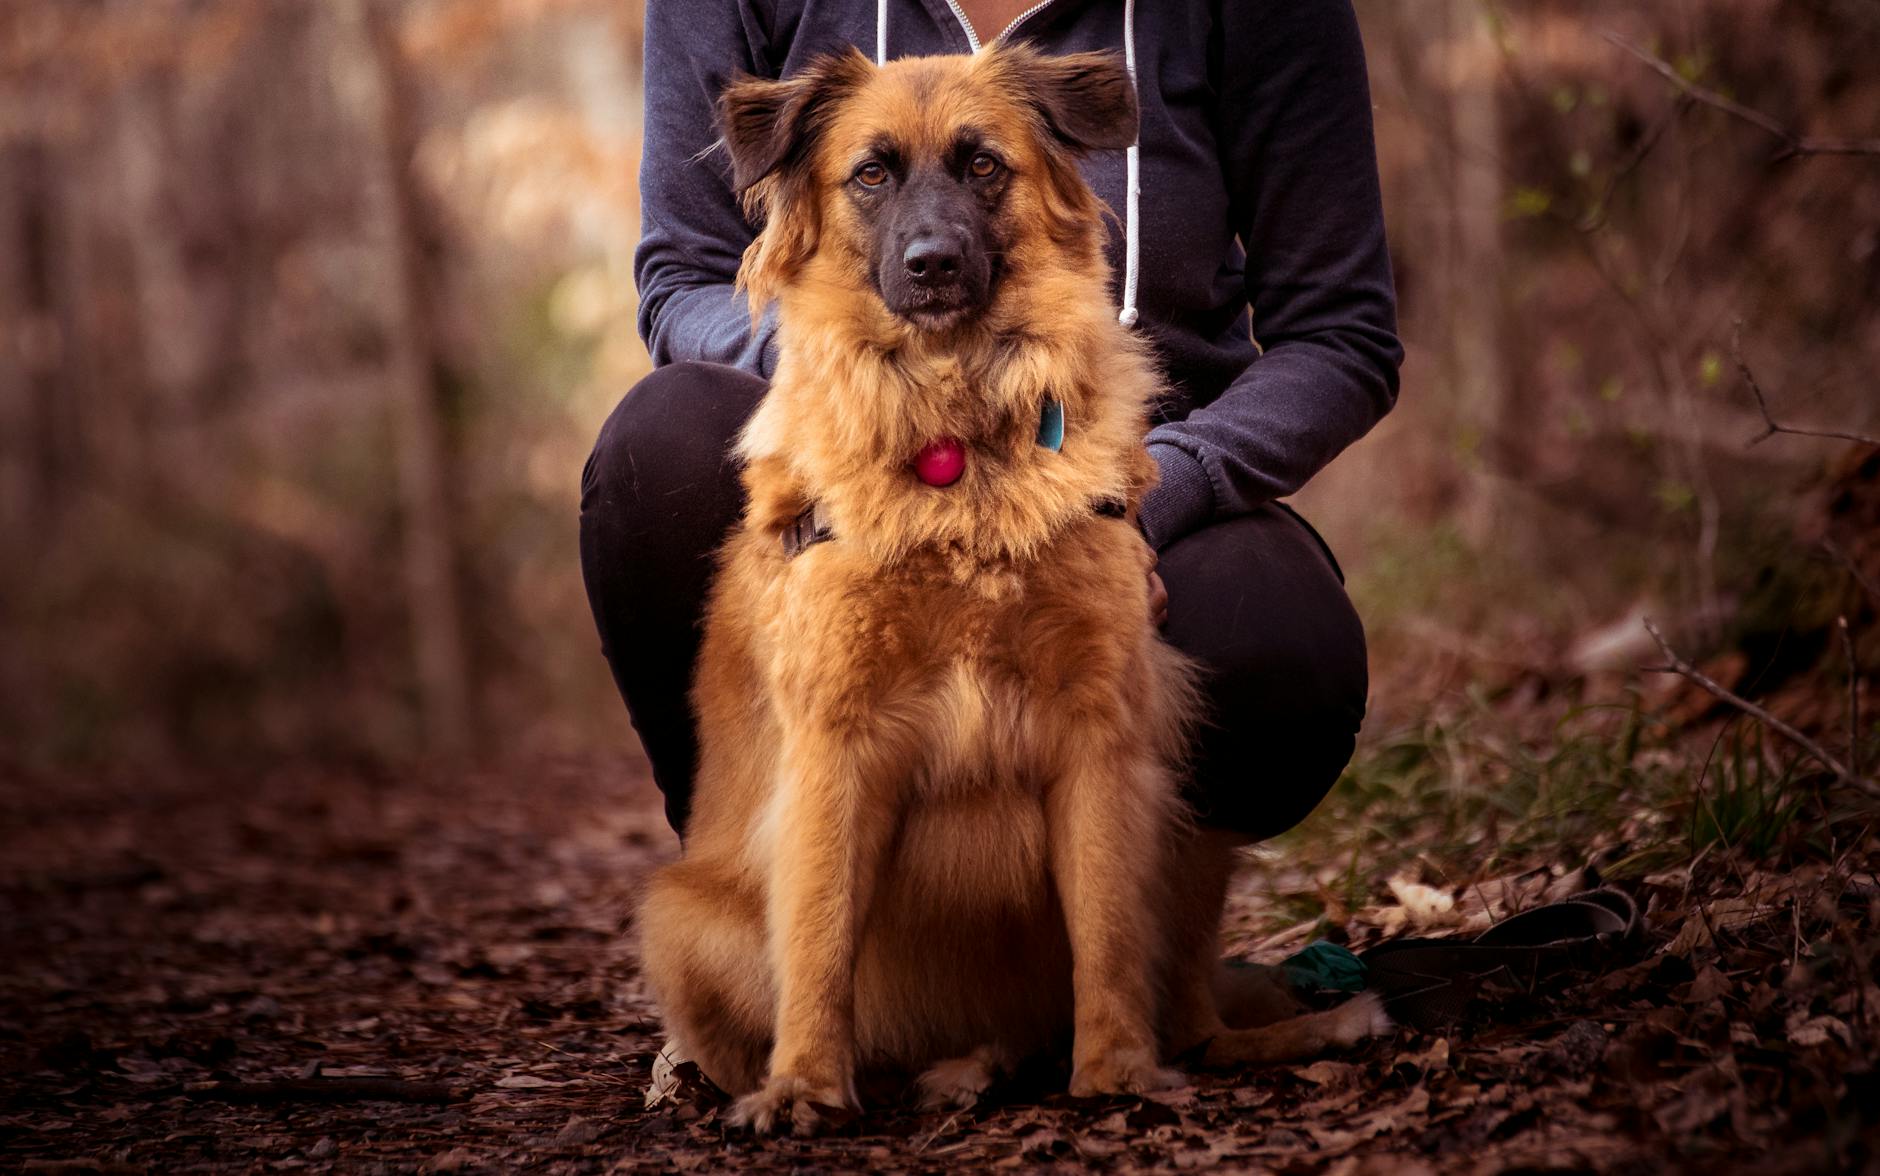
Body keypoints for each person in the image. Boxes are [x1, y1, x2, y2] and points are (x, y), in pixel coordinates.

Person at [581, 0, 1403, 842]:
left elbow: (1341, 335)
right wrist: (843, 404)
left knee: (1272, 643)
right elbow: (684, 274)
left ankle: (1111, 939)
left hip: (1132, 461)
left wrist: (1155, 486)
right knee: (663, 448)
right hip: (844, 435)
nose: (931, 244)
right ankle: (764, 895)